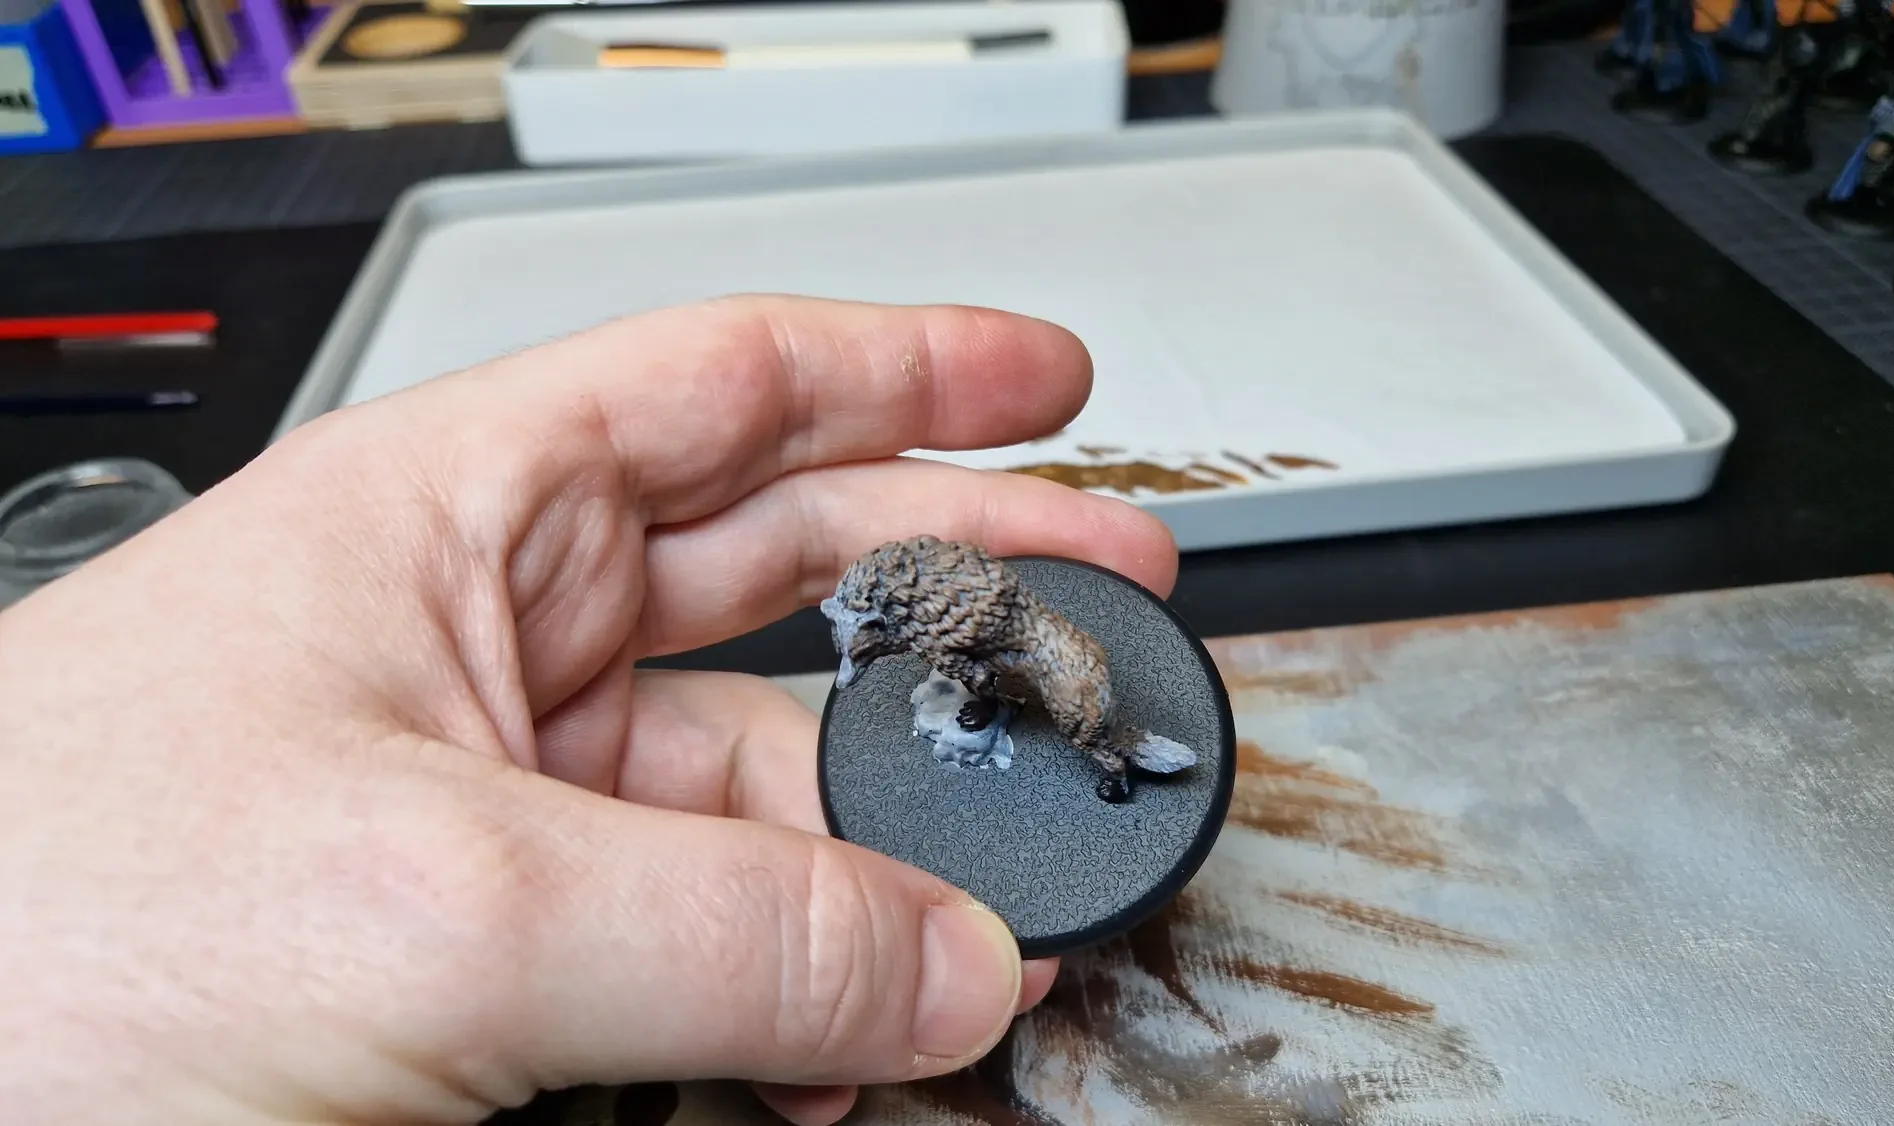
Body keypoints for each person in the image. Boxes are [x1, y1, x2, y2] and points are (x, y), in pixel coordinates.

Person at [0, 296, 1181, 1125]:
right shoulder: (910, 605)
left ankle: (1114, 760)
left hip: (1033, 667)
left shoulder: (1023, 638)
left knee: (1076, 710)